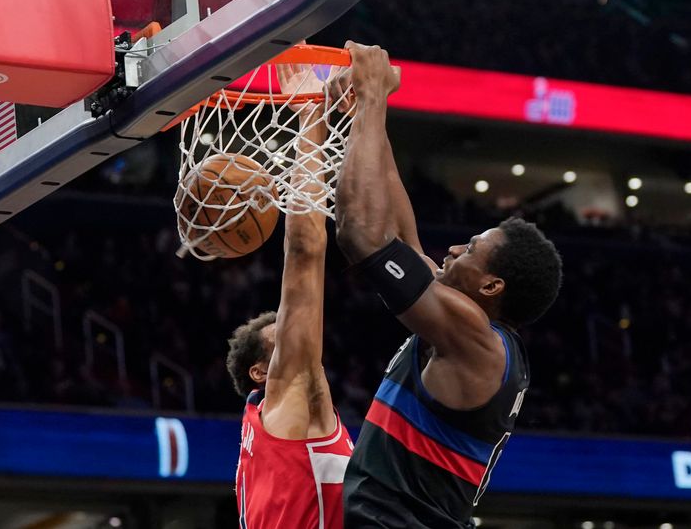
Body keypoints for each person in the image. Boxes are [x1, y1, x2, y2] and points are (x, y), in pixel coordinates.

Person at [332, 42, 563, 528]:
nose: (454, 250)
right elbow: (396, 227)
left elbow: (362, 236)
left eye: (471, 248)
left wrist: (373, 95)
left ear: (492, 285)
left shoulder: (477, 341)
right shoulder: (463, 326)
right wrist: (372, 108)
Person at [227, 76, 353, 529]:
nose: (303, 327)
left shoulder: (262, 436)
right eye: (283, 336)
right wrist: (309, 114)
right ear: (261, 373)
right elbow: (303, 255)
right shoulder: (287, 397)